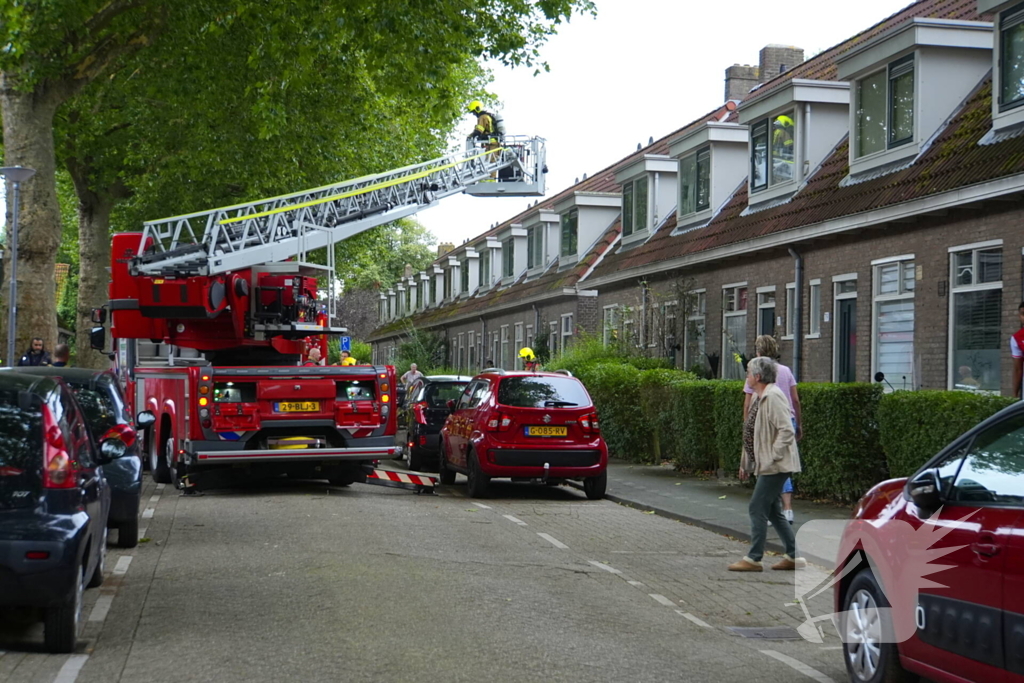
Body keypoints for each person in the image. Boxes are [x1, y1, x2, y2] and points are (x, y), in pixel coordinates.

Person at [729, 357, 804, 572]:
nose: (746, 376)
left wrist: (772, 456)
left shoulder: (773, 396)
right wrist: (746, 463)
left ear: (758, 376)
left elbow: (786, 430)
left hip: (776, 465)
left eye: (748, 372)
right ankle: (793, 556)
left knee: (756, 507)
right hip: (768, 464)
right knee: (772, 511)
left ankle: (754, 558)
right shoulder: (759, 397)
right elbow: (751, 433)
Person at [742, 335, 801, 524]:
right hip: (788, 419)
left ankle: (768, 511)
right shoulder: (785, 370)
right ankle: (788, 509)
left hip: (765, 421)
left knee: (768, 464)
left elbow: (748, 403)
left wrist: (748, 427)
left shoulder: (756, 371)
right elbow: (795, 400)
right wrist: (799, 423)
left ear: (758, 351)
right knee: (783, 465)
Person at [1011, 301, 1024, 397]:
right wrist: (1015, 395)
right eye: (1023, 314)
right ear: (1019, 316)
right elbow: (1018, 369)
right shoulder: (1016, 338)